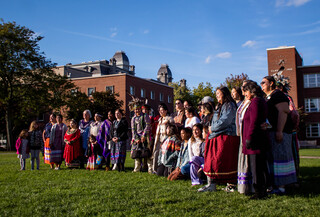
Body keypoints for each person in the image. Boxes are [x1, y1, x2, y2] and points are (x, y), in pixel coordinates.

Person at [199, 87, 239, 192]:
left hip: (226, 136)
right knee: (211, 161)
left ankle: (230, 184)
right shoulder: (221, 106)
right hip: (217, 136)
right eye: (216, 94)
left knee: (221, 161)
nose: (217, 96)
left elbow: (225, 120)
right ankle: (211, 184)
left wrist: (213, 128)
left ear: (225, 94)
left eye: (219, 93)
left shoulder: (229, 105)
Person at [261, 76, 297, 194]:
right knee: (272, 159)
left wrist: (279, 131)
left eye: (264, 82)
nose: (261, 85)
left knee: (280, 158)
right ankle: (274, 185)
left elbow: (284, 111)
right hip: (271, 132)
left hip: (280, 132)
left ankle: (281, 186)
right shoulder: (268, 97)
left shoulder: (278, 95)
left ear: (271, 83)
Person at [242, 82, 270, 199]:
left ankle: (259, 192)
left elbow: (254, 121)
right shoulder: (259, 101)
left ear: (251, 91)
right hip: (258, 139)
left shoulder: (256, 102)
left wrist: (249, 137)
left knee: (256, 167)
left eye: (246, 91)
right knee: (260, 166)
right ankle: (262, 190)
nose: (245, 94)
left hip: (255, 140)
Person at [129, 98, 151, 173]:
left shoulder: (145, 116)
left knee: (147, 153)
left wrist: (143, 136)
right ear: (134, 110)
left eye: (138, 109)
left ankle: (150, 169)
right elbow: (133, 129)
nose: (137, 111)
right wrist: (136, 138)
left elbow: (147, 126)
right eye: (136, 110)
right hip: (137, 138)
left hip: (145, 137)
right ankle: (137, 168)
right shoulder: (133, 118)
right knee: (137, 153)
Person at [153, 103, 174, 173]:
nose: (161, 112)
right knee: (157, 153)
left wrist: (168, 122)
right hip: (159, 139)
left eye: (162, 110)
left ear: (166, 110)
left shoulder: (169, 118)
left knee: (164, 154)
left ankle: (165, 169)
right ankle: (156, 168)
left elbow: (172, 126)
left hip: (166, 139)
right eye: (160, 111)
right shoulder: (160, 119)